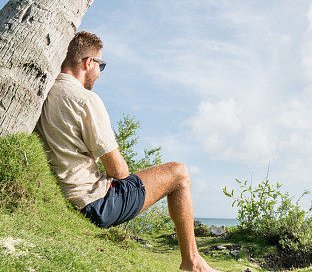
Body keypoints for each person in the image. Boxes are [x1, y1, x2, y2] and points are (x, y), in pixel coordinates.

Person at [36, 31, 220, 272]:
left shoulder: (46, 93)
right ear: (89, 62)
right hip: (94, 205)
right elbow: (119, 171)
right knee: (179, 173)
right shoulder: (86, 100)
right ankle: (192, 262)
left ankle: (193, 262)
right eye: (101, 65)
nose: (100, 73)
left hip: (64, 198)